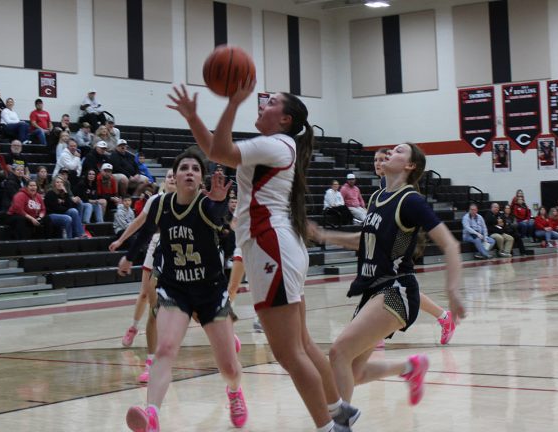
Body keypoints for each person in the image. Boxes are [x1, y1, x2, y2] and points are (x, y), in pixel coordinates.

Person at [167, 82, 354, 432]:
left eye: (271, 102)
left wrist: (234, 103)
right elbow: (214, 148)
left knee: (288, 354)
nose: (263, 103)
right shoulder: (280, 144)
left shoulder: (275, 144)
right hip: (281, 245)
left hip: (271, 246)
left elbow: (220, 151)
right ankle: (340, 411)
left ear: (283, 119)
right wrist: (193, 117)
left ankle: (329, 427)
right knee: (303, 345)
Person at [308, 143, 465, 412]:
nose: (392, 152)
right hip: (373, 290)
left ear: (410, 165)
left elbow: (450, 244)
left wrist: (453, 292)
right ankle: (409, 367)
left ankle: (339, 425)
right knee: (353, 372)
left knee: (339, 353)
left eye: (400, 151)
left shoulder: (410, 200)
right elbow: (365, 239)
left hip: (396, 290)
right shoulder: (377, 198)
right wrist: (325, 236)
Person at [119, 151, 248, 431]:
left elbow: (217, 216)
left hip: (211, 291)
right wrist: (129, 256)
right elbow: (146, 233)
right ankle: (151, 414)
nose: (190, 172)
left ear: (201, 178)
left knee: (228, 369)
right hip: (175, 288)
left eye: (195, 169)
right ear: (174, 177)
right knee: (165, 348)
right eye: (184, 168)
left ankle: (235, 392)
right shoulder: (160, 204)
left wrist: (220, 201)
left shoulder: (206, 205)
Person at [372, 147, 456, 346]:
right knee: (394, 287)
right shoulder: (384, 184)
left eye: (382, 158)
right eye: (375, 159)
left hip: (399, 244)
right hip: (388, 245)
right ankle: (444, 317)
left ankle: (376, 333)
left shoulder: (392, 184)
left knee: (393, 285)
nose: (377, 162)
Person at [110, 169, 176, 383]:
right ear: (164, 181)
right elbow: (140, 224)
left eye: (176, 175)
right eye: (169, 176)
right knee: (149, 300)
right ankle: (146, 351)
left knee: (188, 303)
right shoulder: (156, 201)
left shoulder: (190, 201)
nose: (173, 178)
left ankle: (222, 333)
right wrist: (122, 242)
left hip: (180, 252)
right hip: (156, 249)